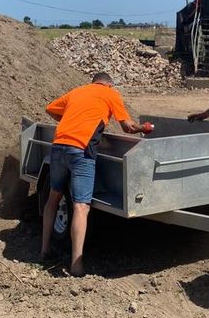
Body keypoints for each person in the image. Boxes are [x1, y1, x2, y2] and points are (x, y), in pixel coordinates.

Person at [41, 72, 147, 276]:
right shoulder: (111, 94)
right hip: (81, 151)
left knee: (54, 197)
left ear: (93, 82)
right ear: (109, 84)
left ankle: (44, 250)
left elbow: (50, 109)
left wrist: (73, 121)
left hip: (59, 146)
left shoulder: (78, 91)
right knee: (81, 206)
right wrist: (143, 128)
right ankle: (76, 265)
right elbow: (127, 127)